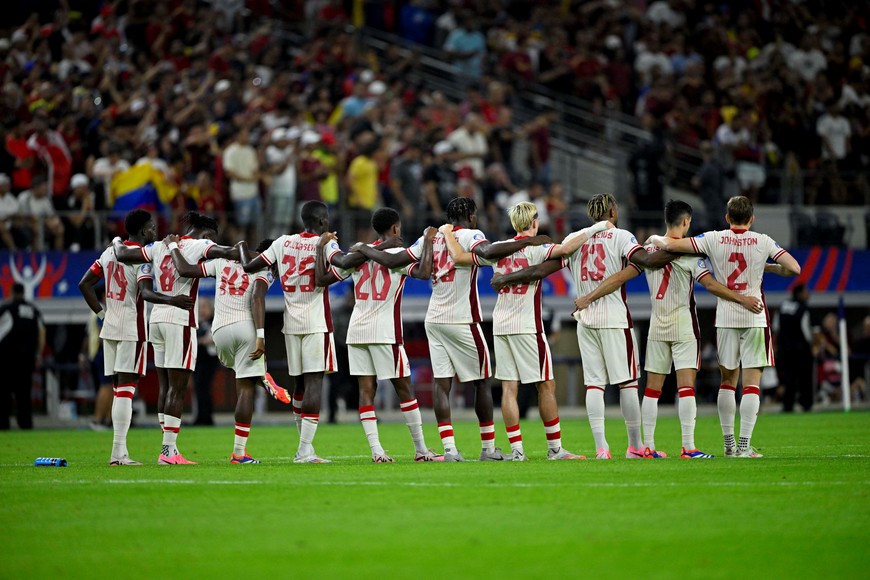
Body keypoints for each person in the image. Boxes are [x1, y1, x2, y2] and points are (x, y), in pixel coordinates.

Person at [359, 197, 551, 461]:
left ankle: (449, 449)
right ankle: (488, 449)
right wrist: (527, 240)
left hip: (434, 318)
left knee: (442, 383)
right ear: (471, 216)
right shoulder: (472, 234)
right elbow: (487, 252)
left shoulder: (434, 236)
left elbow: (396, 260)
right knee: (481, 381)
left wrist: (366, 249)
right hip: (462, 318)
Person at [491, 193, 675, 459]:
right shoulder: (622, 236)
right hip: (613, 317)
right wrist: (674, 249)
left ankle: (601, 448)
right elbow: (645, 261)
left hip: (584, 318)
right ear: (612, 210)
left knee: (594, 386)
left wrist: (504, 278)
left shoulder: (573, 241)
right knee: (627, 384)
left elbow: (541, 270)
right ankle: (635, 447)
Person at [576, 200, 763, 459]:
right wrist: (742, 298)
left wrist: (590, 296)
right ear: (686, 221)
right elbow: (709, 284)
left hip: (657, 326)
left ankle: (648, 447)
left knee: (652, 389)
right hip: (683, 325)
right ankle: (688, 447)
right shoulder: (687, 253)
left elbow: (623, 275)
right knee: (686, 387)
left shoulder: (648, 250)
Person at [442, 201, 612, 461]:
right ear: (534, 223)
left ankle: (517, 451)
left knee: (510, 387)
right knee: (546, 385)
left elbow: (461, 258)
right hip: (527, 326)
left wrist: (446, 234)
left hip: (500, 323)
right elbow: (567, 248)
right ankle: (555, 449)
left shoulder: (498, 249)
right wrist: (597, 227)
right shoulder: (538, 249)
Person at [648, 195, 801, 457]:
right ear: (752, 219)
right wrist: (770, 268)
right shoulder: (762, 240)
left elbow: (672, 244)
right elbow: (794, 268)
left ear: (727, 218)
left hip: (726, 318)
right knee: (752, 383)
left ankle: (728, 444)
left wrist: (654, 238)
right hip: (754, 316)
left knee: (728, 382)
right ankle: (744, 446)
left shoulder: (713, 238)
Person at [113, 211, 241, 465]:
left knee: (165, 386)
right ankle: (168, 450)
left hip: (157, 319)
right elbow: (229, 254)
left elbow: (123, 254)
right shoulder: (201, 245)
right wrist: (238, 249)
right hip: (180, 318)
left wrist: (117, 240)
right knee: (178, 387)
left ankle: (166, 447)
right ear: (206, 234)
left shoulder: (159, 245)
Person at [318, 208, 443, 462]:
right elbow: (423, 273)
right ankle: (421, 450)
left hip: (357, 331)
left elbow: (327, 277)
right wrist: (428, 243)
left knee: (366, 390)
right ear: (395, 229)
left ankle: (377, 451)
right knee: (404, 388)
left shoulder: (356, 256)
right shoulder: (397, 253)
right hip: (385, 331)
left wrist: (352, 248)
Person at [78, 209, 194, 464]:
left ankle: (118, 451)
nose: (154, 230)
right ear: (143, 230)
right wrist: (173, 300)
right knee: (126, 391)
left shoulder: (109, 252)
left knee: (119, 388)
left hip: (109, 326)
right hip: (132, 327)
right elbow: (146, 292)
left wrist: (100, 314)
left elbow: (84, 284)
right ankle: (118, 452)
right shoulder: (141, 258)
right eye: (151, 227)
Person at [168, 236, 290, 464]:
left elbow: (184, 270)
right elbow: (257, 298)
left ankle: (260, 374)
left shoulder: (222, 260)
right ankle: (239, 453)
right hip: (246, 327)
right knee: (245, 388)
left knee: (234, 367)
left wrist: (173, 246)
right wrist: (261, 336)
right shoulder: (266, 270)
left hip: (219, 330)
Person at [241, 201, 340, 463]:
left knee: (298, 384)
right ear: (321, 222)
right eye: (326, 220)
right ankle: (305, 449)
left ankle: (303, 446)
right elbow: (337, 263)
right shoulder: (326, 243)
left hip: (290, 321)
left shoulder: (282, 242)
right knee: (315, 383)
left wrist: (239, 249)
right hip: (316, 322)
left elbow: (250, 266)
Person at [0, 282, 45, 430]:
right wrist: (38, 354)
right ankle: (25, 423)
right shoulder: (33, 310)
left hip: (6, 359)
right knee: (24, 393)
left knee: (4, 393)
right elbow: (42, 333)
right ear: (24, 292)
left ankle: (3, 424)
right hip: (27, 359)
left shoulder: (6, 308)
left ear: (12, 292)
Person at [775, 284, 814, 412]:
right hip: (800, 349)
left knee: (788, 378)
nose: (808, 294)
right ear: (800, 293)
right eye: (806, 291)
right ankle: (806, 404)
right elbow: (806, 330)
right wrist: (811, 346)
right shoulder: (804, 308)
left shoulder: (782, 306)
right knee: (805, 378)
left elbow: (776, 328)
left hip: (784, 349)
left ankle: (788, 405)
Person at [222, 127, 261, 242]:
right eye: (244, 134)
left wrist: (258, 176)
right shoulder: (230, 151)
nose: (247, 137)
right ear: (237, 136)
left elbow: (255, 169)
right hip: (240, 193)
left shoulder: (250, 150)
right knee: (241, 226)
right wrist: (248, 179)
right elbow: (229, 172)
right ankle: (240, 253)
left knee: (253, 225)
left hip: (253, 192)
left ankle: (254, 252)